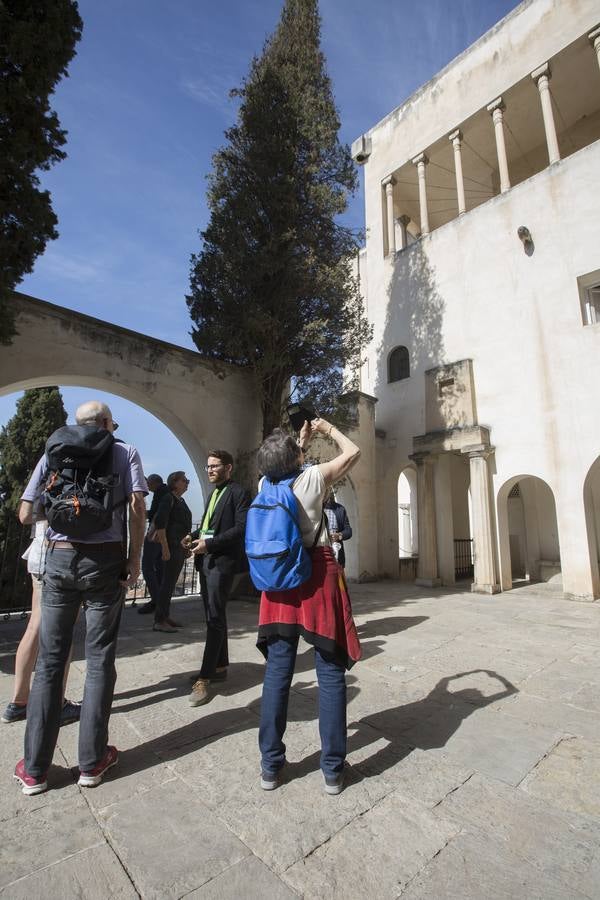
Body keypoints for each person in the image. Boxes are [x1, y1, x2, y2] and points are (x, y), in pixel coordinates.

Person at [13, 400, 147, 796]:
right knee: (100, 657)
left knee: (52, 661)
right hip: (105, 562)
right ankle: (92, 762)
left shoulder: (54, 450)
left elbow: (24, 514)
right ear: (106, 423)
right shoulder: (124, 450)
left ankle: (34, 769)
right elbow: (138, 508)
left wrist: (61, 514)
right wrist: (133, 559)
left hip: (58, 560)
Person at [256, 418, 362, 795]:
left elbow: (287, 465)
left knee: (277, 673)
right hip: (315, 573)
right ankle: (332, 770)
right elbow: (353, 452)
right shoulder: (314, 478)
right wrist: (327, 429)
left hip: (278, 579)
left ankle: (270, 766)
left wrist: (298, 442)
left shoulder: (264, 484)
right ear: (299, 457)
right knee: (330, 672)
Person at [1, 514, 80, 726]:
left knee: (34, 626)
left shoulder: (42, 480)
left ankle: (19, 701)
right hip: (57, 555)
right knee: (62, 632)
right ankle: (57, 704)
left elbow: (25, 513)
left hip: (40, 553)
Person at [186, 450, 250, 706]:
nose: (210, 470)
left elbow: (241, 529)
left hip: (222, 563)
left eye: (214, 466)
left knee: (214, 618)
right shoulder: (214, 493)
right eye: (208, 466)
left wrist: (209, 544)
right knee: (215, 616)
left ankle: (204, 678)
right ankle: (220, 666)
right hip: (207, 561)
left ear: (229, 467)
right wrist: (193, 536)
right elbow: (208, 524)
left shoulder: (238, 493)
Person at [151, 471, 192, 633]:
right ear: (174, 482)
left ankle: (165, 616)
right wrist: (165, 548)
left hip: (179, 547)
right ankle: (159, 620)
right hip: (172, 547)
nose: (187, 482)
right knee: (166, 584)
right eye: (184, 480)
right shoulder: (168, 498)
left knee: (169, 583)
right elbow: (161, 523)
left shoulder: (179, 500)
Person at [137, 474, 170, 616]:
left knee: (147, 567)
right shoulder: (166, 492)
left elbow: (157, 514)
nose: (147, 487)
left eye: (148, 484)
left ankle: (156, 600)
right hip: (163, 535)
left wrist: (142, 513)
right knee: (159, 568)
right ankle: (159, 600)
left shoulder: (160, 493)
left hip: (155, 535)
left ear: (154, 483)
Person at [323, 489, 352, 572]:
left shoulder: (340, 509)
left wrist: (339, 535)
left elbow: (348, 531)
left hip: (337, 552)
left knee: (339, 581)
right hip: (321, 552)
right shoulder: (315, 508)